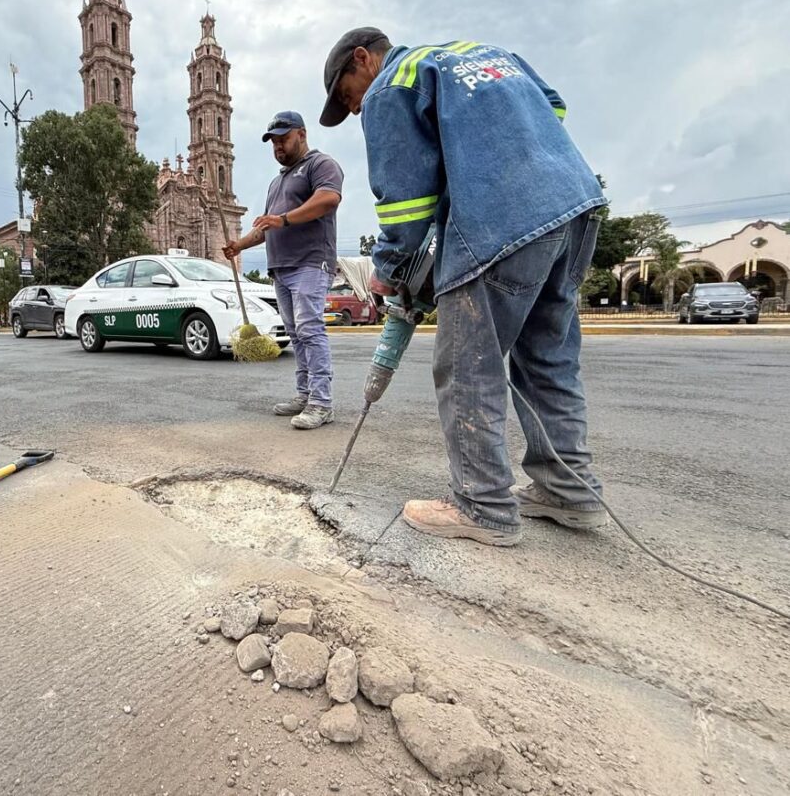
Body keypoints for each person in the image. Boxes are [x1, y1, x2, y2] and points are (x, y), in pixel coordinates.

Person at [320, 28, 608, 546]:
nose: (358, 109)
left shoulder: (391, 85)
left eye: (348, 95)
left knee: (467, 362)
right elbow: (553, 109)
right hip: (573, 204)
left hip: (499, 220)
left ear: (364, 59)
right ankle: (569, 490)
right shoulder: (488, 55)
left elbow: (405, 205)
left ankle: (483, 503)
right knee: (546, 358)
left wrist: (391, 269)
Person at [224, 111, 344, 430]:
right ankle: (305, 395)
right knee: (296, 334)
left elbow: (329, 198)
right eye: (274, 142)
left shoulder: (320, 165)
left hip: (310, 262)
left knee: (309, 329)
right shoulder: (277, 182)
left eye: (283, 139)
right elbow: (266, 227)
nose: (278, 146)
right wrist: (239, 245)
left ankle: (322, 403)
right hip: (282, 268)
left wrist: (285, 219)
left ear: (301, 134)